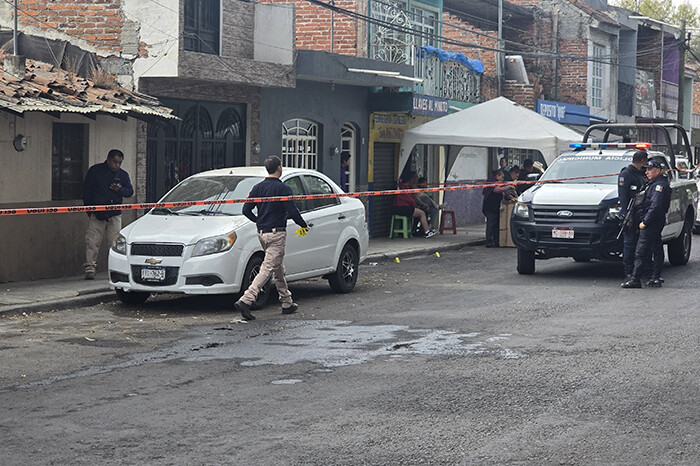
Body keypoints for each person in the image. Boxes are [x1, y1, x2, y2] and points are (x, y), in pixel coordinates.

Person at [234, 156, 309, 320]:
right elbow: (293, 210)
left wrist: (259, 221)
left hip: (262, 233)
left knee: (277, 267)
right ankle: (246, 300)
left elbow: (246, 210)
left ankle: (287, 302)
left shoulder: (257, 188)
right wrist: (304, 225)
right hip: (277, 234)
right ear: (279, 168)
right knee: (267, 268)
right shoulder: (283, 189)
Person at [82, 149, 133, 280]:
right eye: (115, 162)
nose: (117, 165)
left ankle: (115, 269)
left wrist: (120, 189)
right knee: (92, 241)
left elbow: (129, 192)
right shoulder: (95, 171)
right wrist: (89, 210)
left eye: (120, 163)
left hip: (115, 214)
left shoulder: (123, 175)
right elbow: (87, 191)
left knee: (115, 243)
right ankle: (90, 268)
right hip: (97, 213)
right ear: (109, 160)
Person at [621, 159, 671, 289]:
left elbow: (655, 206)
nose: (646, 172)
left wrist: (645, 222)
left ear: (658, 170)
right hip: (654, 222)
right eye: (646, 169)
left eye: (649, 169)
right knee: (656, 248)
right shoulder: (653, 183)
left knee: (640, 252)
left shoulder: (658, 185)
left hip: (651, 223)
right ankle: (655, 277)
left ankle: (636, 279)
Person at [618, 149, 648, 280]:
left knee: (642, 245)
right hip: (631, 214)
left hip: (642, 214)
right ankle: (629, 272)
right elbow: (623, 197)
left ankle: (641, 271)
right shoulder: (627, 174)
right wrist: (627, 216)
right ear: (642, 161)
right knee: (629, 245)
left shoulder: (641, 173)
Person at [482, 169, 508, 248]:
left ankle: (496, 241)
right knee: (491, 224)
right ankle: (489, 241)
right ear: (497, 176)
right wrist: (506, 188)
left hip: (495, 207)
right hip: (490, 207)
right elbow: (496, 190)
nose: (502, 179)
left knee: (496, 225)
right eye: (502, 177)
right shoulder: (492, 182)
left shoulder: (498, 183)